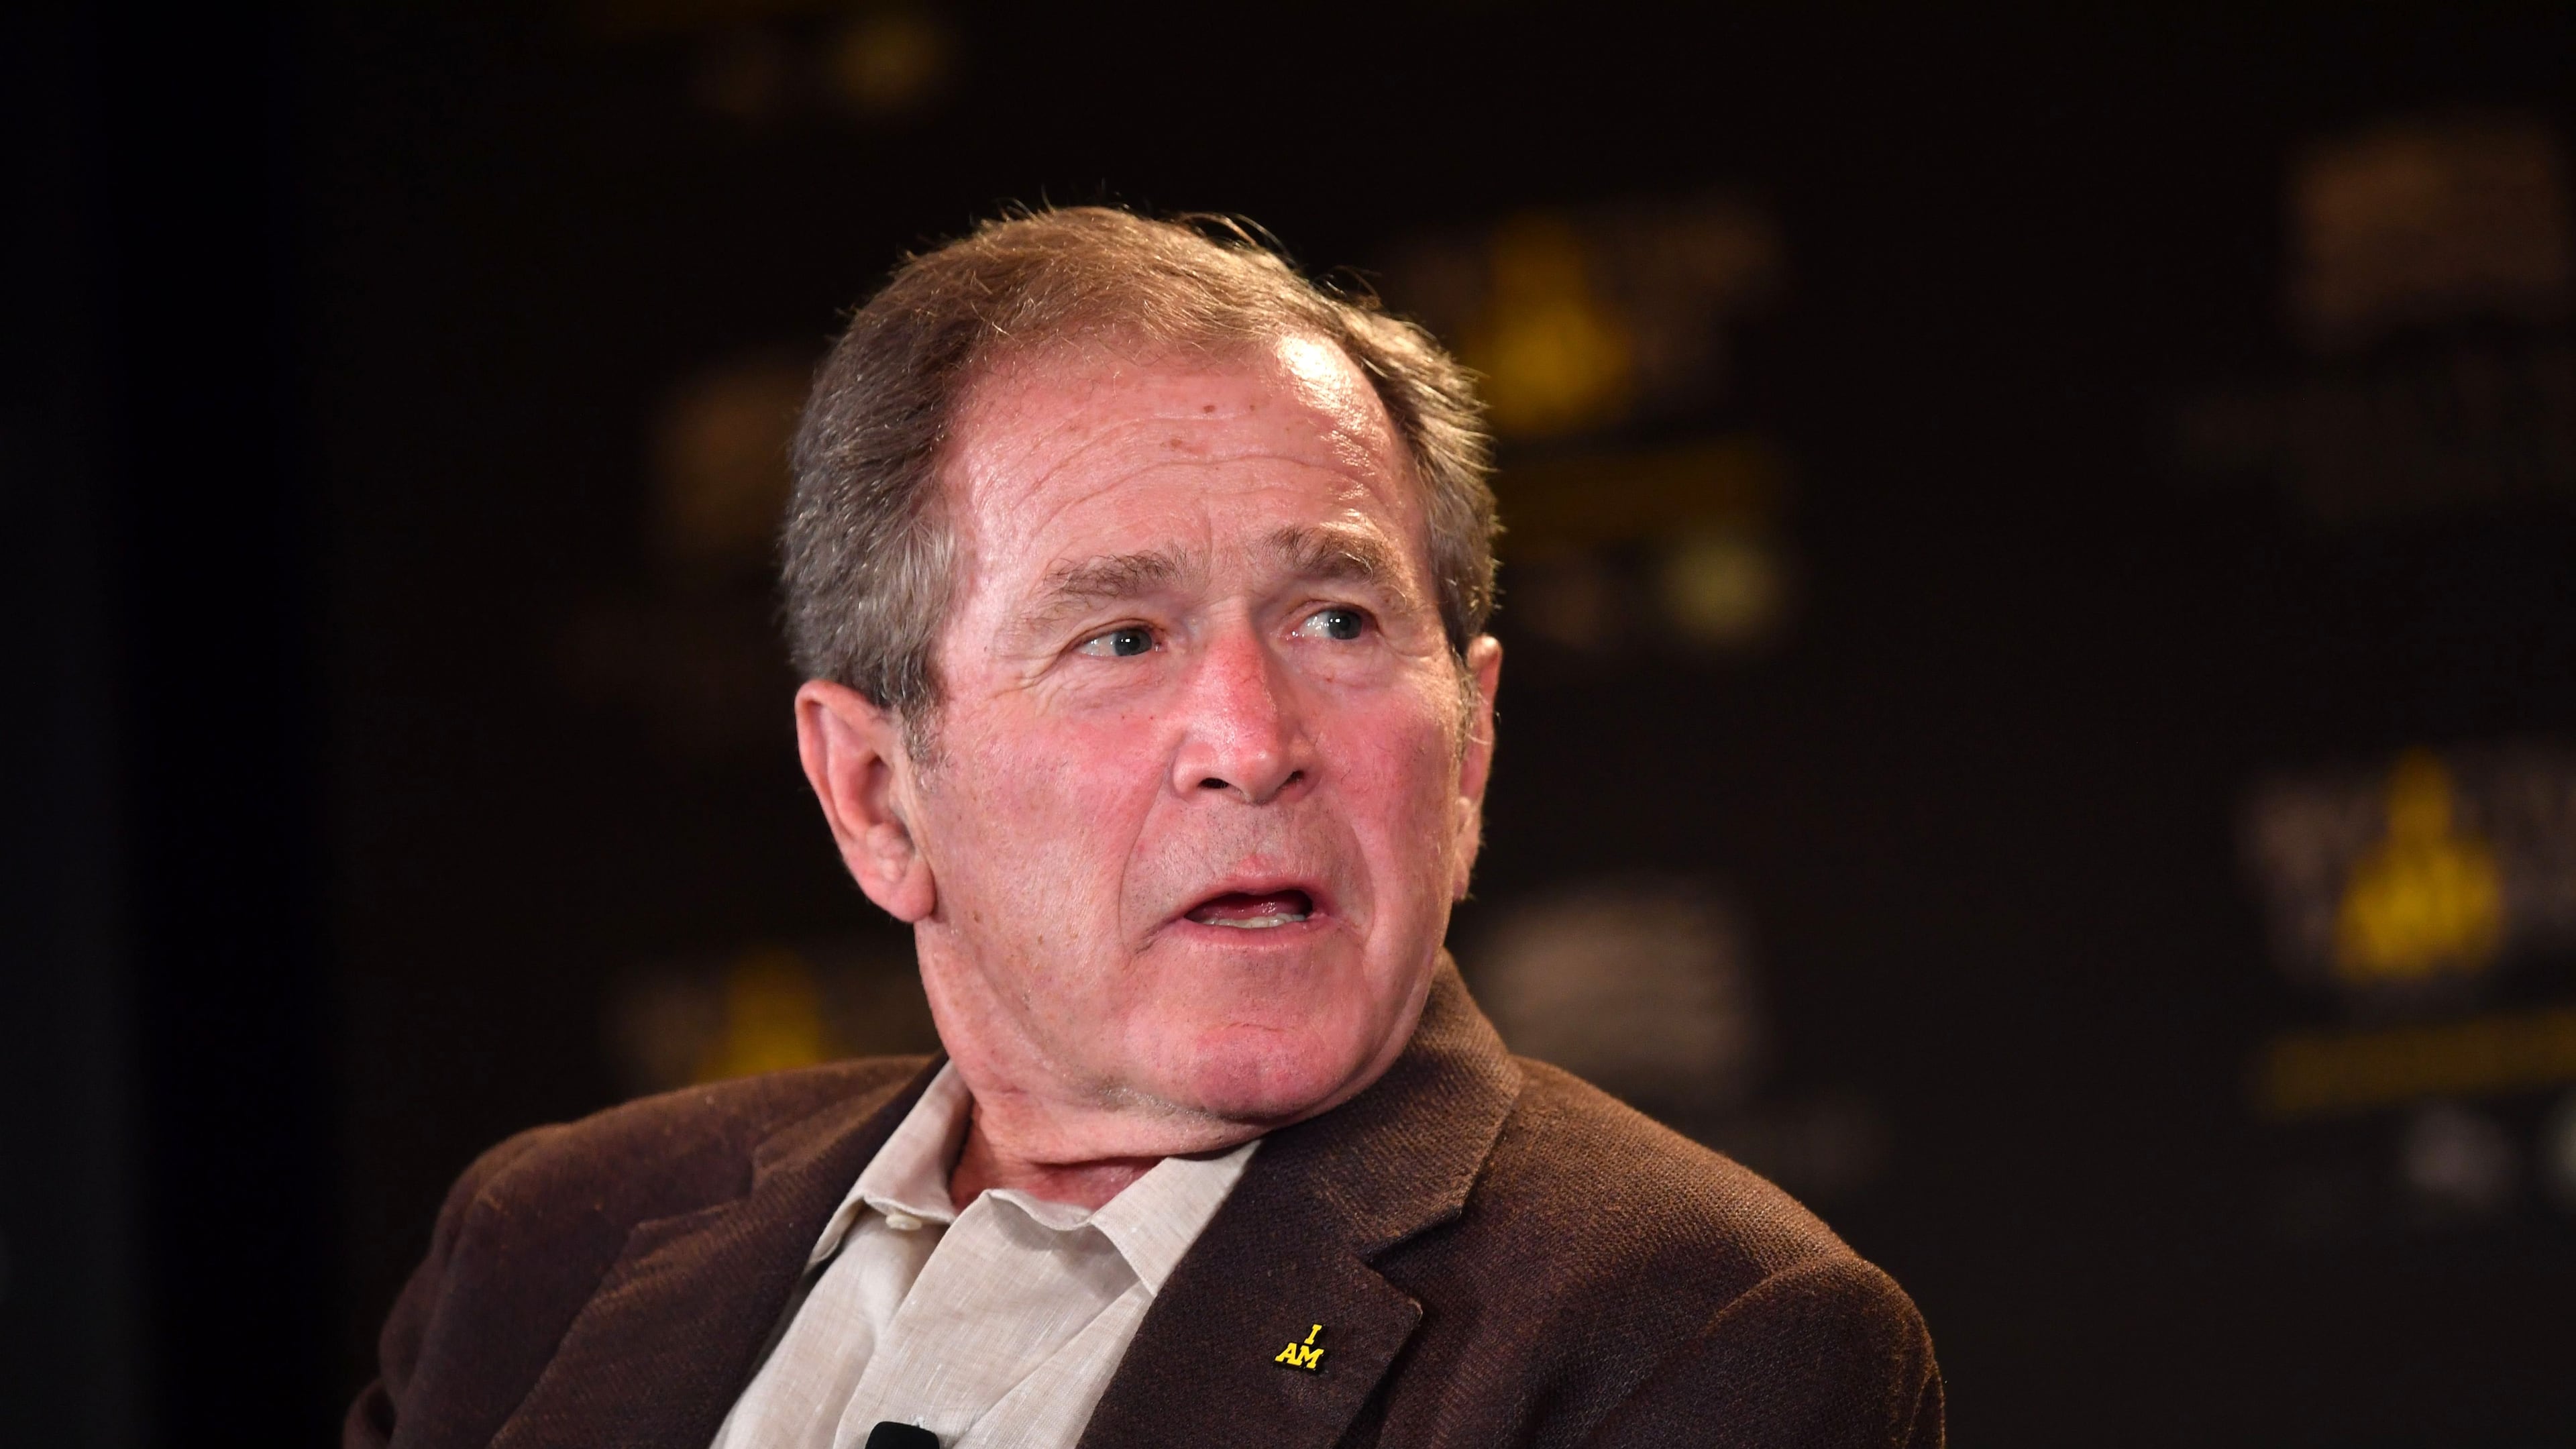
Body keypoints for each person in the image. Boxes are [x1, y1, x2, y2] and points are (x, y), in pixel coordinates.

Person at [347, 207, 1943, 1449]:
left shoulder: (1694, 1340)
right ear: (877, 795)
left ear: (1470, 749)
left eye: (1334, 620)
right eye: (1121, 639)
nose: (1254, 745)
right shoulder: (547, 1241)